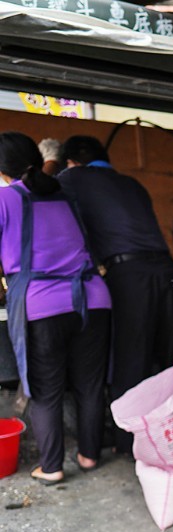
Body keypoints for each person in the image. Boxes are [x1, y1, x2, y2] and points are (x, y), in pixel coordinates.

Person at [58, 135, 173, 457]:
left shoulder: (71, 178)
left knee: (130, 358)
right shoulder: (131, 183)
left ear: (72, 161)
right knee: (168, 358)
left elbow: (41, 192)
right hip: (169, 272)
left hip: (130, 275)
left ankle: (129, 446)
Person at [0, 132, 112, 484]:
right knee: (90, 385)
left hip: (43, 304)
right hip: (94, 298)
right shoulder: (66, 195)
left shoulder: (5, 200)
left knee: (46, 389)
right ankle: (90, 455)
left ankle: (51, 467)